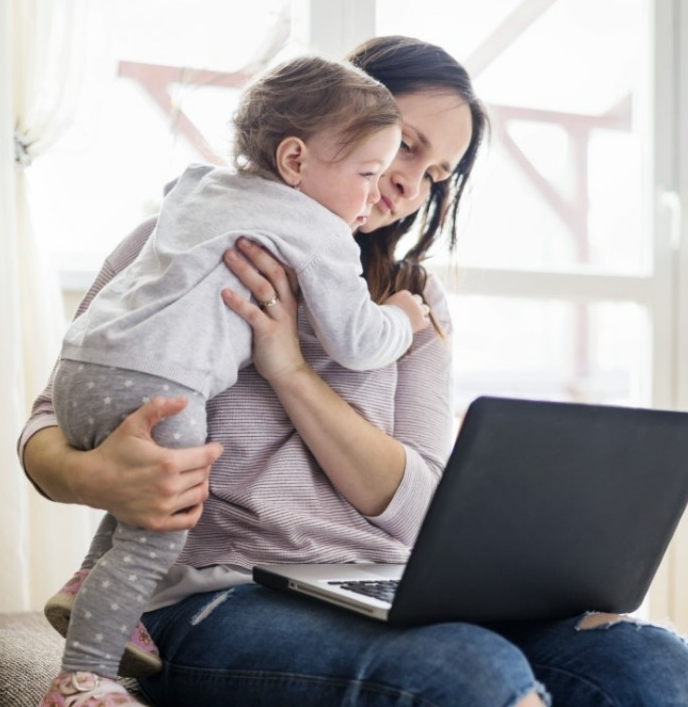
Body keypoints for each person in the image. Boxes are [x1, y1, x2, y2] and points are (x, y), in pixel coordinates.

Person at [22, 36, 688, 707]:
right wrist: (93, 476)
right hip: (213, 596)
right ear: (332, 127)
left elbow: (415, 509)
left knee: (648, 657)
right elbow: (49, 421)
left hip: (381, 584)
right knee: (466, 671)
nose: (409, 182)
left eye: (437, 174)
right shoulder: (181, 241)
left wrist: (289, 369)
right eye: (406, 146)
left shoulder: (411, 306)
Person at [40, 54, 432, 706]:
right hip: (159, 386)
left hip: (83, 373)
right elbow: (359, 341)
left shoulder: (199, 185)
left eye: (434, 174)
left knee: (138, 513)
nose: (385, 188)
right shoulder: (320, 232)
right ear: (297, 161)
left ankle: (89, 580)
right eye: (371, 170)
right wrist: (402, 318)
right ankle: (84, 675)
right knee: (161, 528)